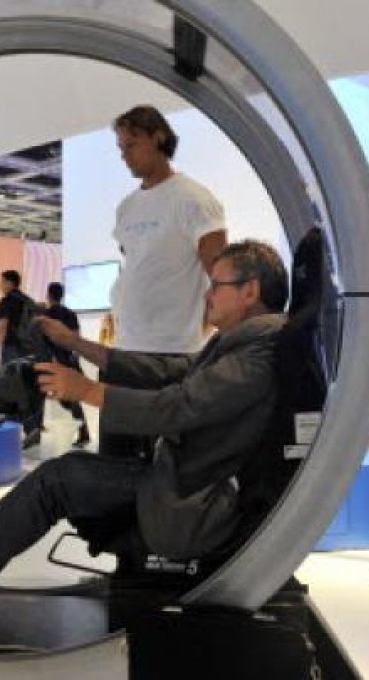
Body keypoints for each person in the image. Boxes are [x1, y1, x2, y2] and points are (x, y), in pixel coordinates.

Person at [0, 240, 288, 612]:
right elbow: (170, 371)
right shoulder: (241, 346)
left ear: (249, 291)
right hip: (179, 480)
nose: (207, 296)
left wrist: (86, 390)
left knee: (60, 478)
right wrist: (75, 343)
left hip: (189, 502)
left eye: (216, 286)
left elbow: (177, 406)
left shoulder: (259, 355)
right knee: (64, 473)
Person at [103, 104, 228, 459]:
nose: (125, 156)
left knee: (168, 463)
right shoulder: (126, 207)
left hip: (172, 354)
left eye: (132, 145)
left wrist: (217, 334)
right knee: (116, 461)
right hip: (126, 350)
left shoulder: (194, 201)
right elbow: (136, 268)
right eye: (121, 148)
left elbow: (218, 273)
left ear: (158, 137)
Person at [0, 270, 41, 448]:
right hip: (29, 351)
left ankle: (28, 428)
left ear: (10, 283)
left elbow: (3, 328)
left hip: (12, 350)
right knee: (25, 388)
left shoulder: (7, 301)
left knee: (10, 388)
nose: (0, 285)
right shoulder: (28, 300)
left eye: (2, 282)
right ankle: (20, 431)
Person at [43, 282, 91, 447]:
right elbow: (77, 338)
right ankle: (83, 431)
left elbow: (44, 340)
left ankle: (83, 432)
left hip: (55, 360)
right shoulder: (70, 314)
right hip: (69, 358)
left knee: (67, 398)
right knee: (71, 397)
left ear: (49, 295)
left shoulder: (45, 315)